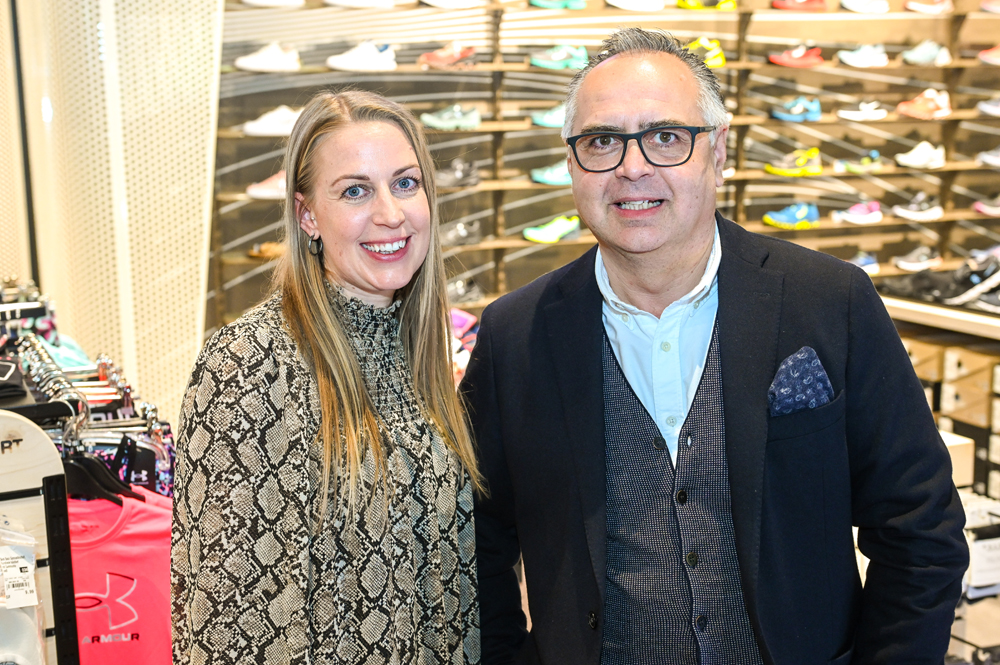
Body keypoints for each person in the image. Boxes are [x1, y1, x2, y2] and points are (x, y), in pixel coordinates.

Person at [461, 28, 968, 665]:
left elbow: (920, 528)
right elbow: (476, 541)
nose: (632, 167)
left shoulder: (829, 300)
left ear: (718, 151)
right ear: (572, 165)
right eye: (601, 142)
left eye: (665, 137)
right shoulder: (513, 334)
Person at [172, 90, 483, 665]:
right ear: (307, 215)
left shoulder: (417, 351)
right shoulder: (251, 364)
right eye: (355, 191)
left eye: (406, 183)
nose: (390, 213)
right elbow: (232, 625)